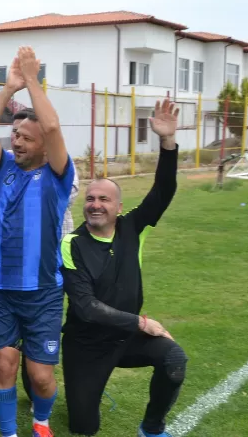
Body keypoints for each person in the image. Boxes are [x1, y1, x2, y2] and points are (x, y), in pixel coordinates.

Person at [61, 99, 186, 437]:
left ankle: (152, 427)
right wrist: (142, 322)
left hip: (126, 338)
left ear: (118, 207)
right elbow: (86, 308)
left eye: (104, 199)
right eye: (90, 198)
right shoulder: (71, 244)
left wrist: (167, 143)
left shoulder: (132, 228)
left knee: (174, 360)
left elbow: (164, 190)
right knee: (83, 427)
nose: (95, 205)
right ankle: (38, 381)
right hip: (86, 344)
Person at [0, 48, 75, 437]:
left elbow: (52, 128)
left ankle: (41, 421)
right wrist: (9, 87)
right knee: (2, 364)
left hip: (43, 291)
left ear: (44, 147)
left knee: (41, 376)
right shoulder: (4, 170)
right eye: (15, 135)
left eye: (26, 138)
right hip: (0, 289)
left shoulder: (57, 174)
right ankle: (9, 433)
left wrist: (32, 81)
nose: (17, 142)